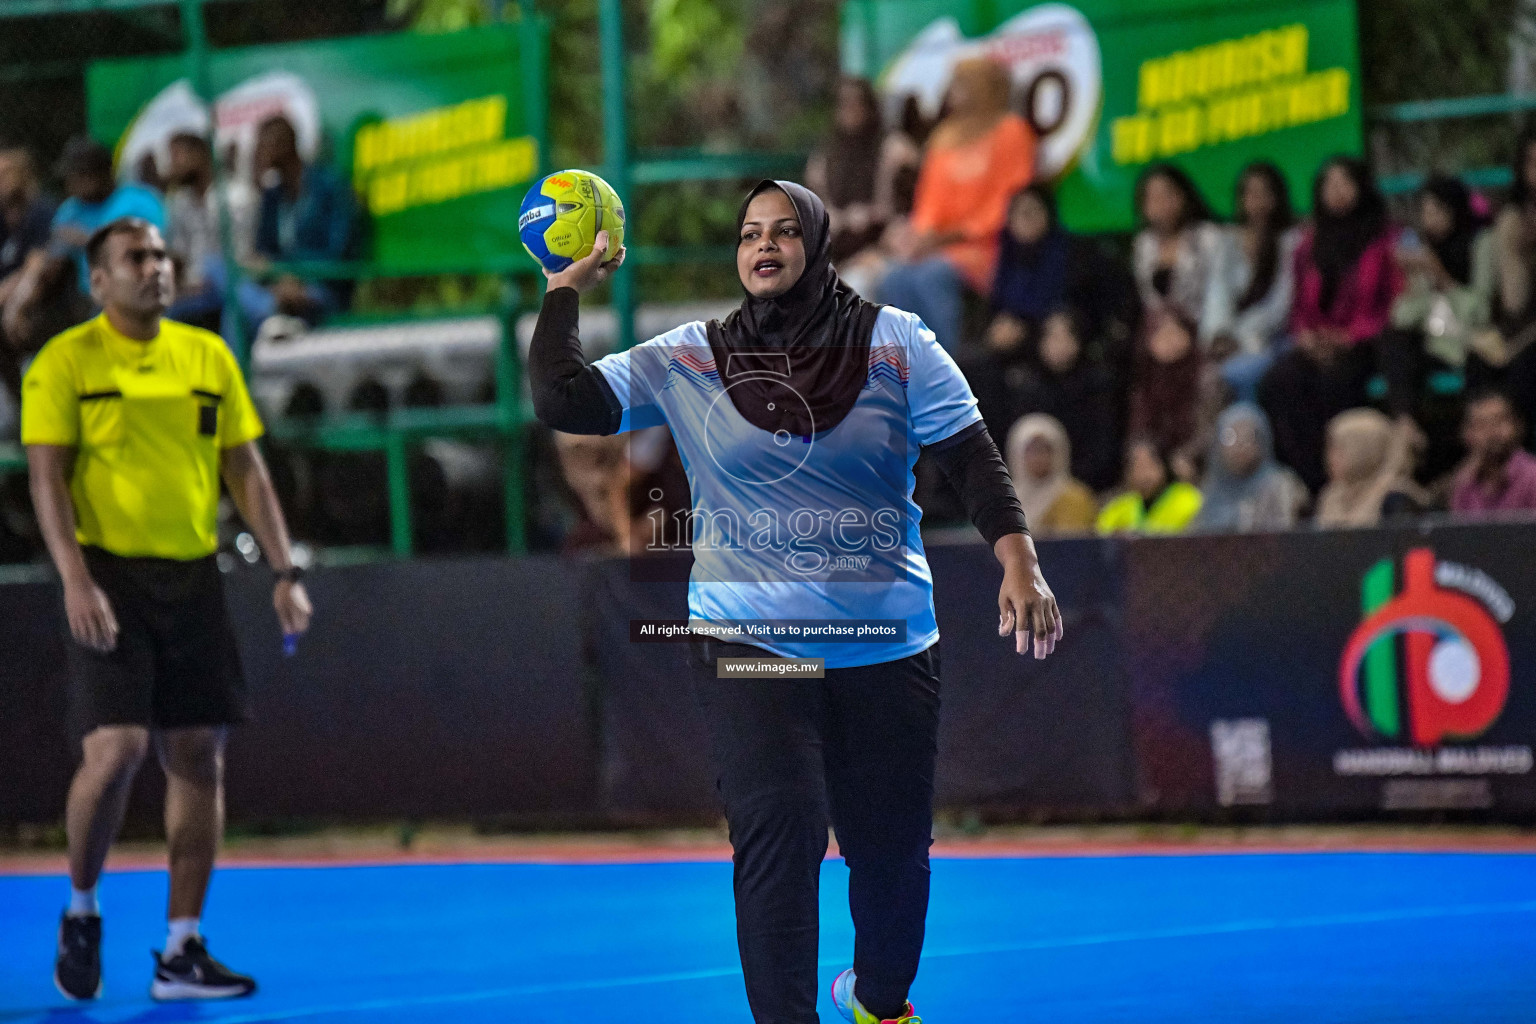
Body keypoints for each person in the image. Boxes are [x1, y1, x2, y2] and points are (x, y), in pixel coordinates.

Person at [529, 180, 1062, 1024]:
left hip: (887, 639)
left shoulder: (899, 343)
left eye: (782, 230)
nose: (763, 245)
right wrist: (562, 291)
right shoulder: (691, 355)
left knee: (891, 858)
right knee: (781, 836)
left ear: (816, 243)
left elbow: (969, 454)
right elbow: (564, 399)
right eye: (748, 235)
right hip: (748, 637)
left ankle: (879, 1001)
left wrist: (1018, 558)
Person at [22, 217, 312, 1002]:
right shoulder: (64, 362)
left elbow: (245, 468)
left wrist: (285, 570)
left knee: (197, 755)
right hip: (107, 576)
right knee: (114, 750)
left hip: (193, 575)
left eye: (160, 255)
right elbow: (45, 478)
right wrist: (75, 581)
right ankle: (82, 908)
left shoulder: (208, 355)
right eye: (135, 257)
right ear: (98, 280)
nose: (154, 267)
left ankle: (182, 950)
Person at [1260, 156, 1403, 493]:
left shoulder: (1385, 240)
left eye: (1345, 183)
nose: (1336, 192)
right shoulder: (1309, 244)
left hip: (1366, 343)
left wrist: (1349, 336)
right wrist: (1307, 337)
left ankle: (1342, 478)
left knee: (1335, 383)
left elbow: (1394, 303)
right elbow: (1299, 305)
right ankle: (1307, 479)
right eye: (1329, 185)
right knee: (1278, 380)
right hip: (1318, 341)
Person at [878, 57, 1037, 353]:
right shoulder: (943, 139)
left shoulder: (1011, 131)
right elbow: (928, 209)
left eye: (963, 84)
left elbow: (1011, 204)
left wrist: (948, 237)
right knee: (894, 278)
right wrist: (920, 239)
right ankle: (912, 372)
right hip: (939, 247)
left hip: (989, 246)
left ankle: (949, 370)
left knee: (931, 275)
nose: (953, 92)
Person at [1382, 176, 1491, 425]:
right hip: (1435, 339)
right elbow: (1402, 318)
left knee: (1481, 364)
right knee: (1392, 340)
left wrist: (1441, 277)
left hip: (1469, 340)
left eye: (1437, 210)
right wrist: (1411, 281)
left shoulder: (1481, 244)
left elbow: (1480, 312)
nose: (1430, 219)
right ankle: (1405, 425)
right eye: (1425, 211)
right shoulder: (1422, 249)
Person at [238, 115, 354, 333]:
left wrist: (291, 272)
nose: (257, 153)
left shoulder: (329, 187)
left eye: (263, 146)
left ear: (283, 146)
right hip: (280, 286)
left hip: (324, 286)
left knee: (252, 307)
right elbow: (264, 251)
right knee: (234, 289)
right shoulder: (272, 196)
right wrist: (276, 274)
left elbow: (337, 253)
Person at [1202, 162, 1300, 399]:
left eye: (1264, 192)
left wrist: (1241, 337)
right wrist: (1219, 334)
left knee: (1243, 373)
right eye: (1250, 193)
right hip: (1231, 340)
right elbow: (1217, 293)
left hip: (1275, 337)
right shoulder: (1228, 241)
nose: (1257, 200)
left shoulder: (1292, 241)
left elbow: (1282, 302)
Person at [1002, 306, 1122, 491]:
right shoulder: (1027, 387)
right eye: (1052, 337)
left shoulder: (1097, 386)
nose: (1059, 345)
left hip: (1086, 487)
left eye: (1066, 336)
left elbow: (1102, 447)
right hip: (1032, 487)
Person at [163, 132, 258, 332]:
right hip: (193, 287)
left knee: (230, 300)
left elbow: (241, 255)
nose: (171, 165)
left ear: (200, 155)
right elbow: (180, 253)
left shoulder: (236, 197)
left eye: (177, 156)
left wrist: (202, 281)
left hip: (229, 281)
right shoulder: (179, 202)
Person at [804, 77, 903, 265]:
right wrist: (838, 217)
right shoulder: (825, 155)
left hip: (880, 245)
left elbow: (900, 208)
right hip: (836, 246)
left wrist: (870, 214)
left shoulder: (889, 147)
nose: (850, 110)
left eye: (856, 103)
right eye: (843, 104)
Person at [1127, 310, 1225, 482]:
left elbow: (1211, 428)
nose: (1169, 341)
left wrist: (1186, 456)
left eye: (1175, 332)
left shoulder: (1206, 376)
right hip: (1157, 461)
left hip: (1196, 461)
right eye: (1161, 334)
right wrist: (1142, 451)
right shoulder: (1146, 376)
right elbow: (1138, 427)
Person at [0, 142, 57, 417]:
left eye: (8, 171)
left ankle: (38, 412)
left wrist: (12, 304)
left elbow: (36, 266)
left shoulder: (40, 211)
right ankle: (23, 410)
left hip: (43, 303)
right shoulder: (2, 219)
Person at [1191, 403, 1306, 533]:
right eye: (1230, 437)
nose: (1240, 445)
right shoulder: (1208, 489)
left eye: (1249, 436)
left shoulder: (1281, 486)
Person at [1131, 163, 1219, 333]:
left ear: (1184, 196)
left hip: (1207, 331)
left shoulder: (1209, 237)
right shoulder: (1143, 244)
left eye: (1167, 195)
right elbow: (1149, 303)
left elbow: (1218, 296)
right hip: (1163, 335)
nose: (1161, 205)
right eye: (1153, 198)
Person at [1315, 408, 1425, 529]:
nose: (1331, 458)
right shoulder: (1331, 496)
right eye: (1331, 449)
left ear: (1365, 451)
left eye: (1341, 449)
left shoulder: (1395, 499)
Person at [1004, 413, 1098, 536]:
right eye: (1031, 451)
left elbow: (1072, 545)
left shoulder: (1075, 498)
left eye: (1044, 450)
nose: (1038, 458)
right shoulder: (1005, 501)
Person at [1450, 388, 1536, 517]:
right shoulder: (1464, 481)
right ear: (1466, 433)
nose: (1492, 433)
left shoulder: (1532, 476)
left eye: (1499, 421)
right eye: (1482, 425)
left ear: (1518, 426)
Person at [1096, 437, 1203, 535]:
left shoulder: (1189, 499)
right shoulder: (1119, 507)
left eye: (1150, 465)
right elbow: (1101, 535)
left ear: (1164, 466)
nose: (1144, 475)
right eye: (1136, 467)